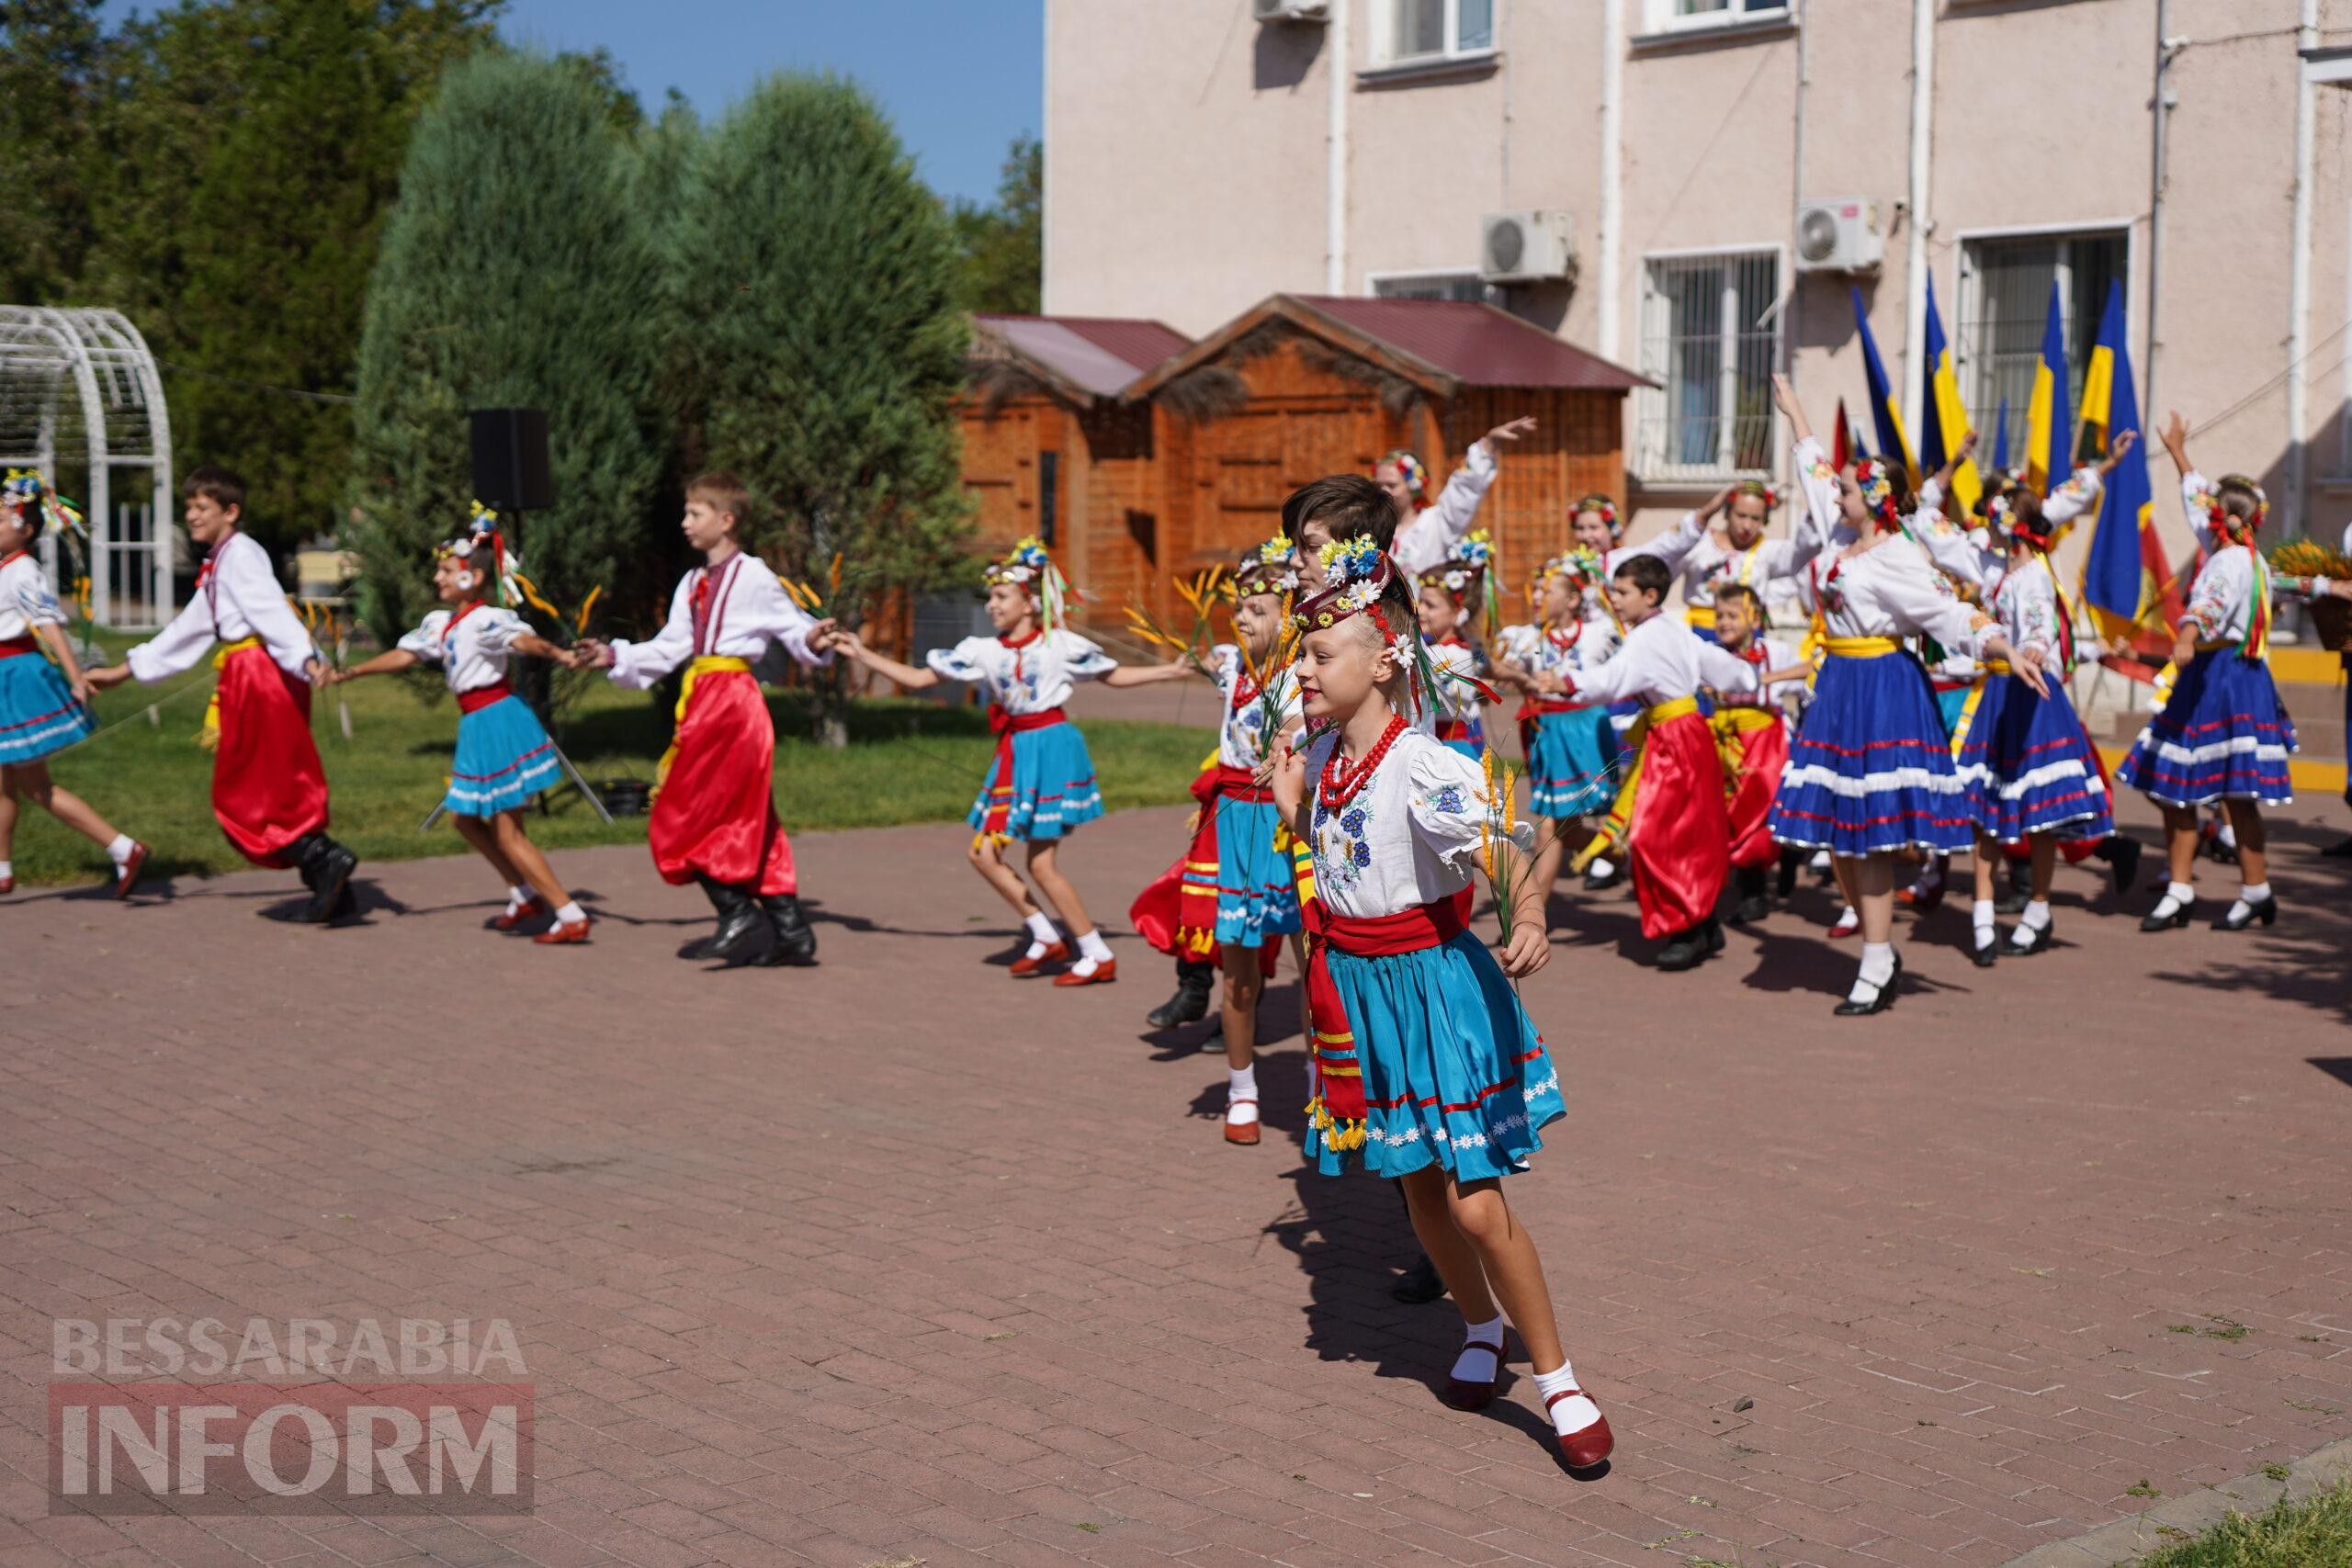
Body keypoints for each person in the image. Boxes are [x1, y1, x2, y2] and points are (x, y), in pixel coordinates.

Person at [1267, 525, 1612, 1471]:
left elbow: (1504, 843)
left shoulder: (1420, 763)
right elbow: (1345, 867)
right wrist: (1295, 806)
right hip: (1367, 996)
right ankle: (1476, 1331)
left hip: (1432, 987)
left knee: (1470, 1205)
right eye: (1300, 653)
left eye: (1321, 653)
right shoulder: (1331, 761)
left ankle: (1559, 1380)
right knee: (1415, 1191)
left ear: (1382, 663)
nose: (1301, 670)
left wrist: (1528, 912)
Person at [1765, 377, 2046, 1014]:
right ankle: (1879, 950)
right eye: (1836, 487)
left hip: (1880, 688)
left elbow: (1951, 613)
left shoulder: (1897, 555)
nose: (1833, 493)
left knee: (1865, 832)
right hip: (1837, 686)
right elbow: (1813, 469)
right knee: (1835, 830)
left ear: (1874, 496)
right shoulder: (1840, 536)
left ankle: (1874, 957)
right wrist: (1795, 408)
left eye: (1846, 488)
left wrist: (2003, 648)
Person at [831, 536, 1188, 986]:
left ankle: (1094, 951)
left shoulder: (1058, 645)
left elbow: (1112, 675)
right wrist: (862, 653)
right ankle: (1045, 933)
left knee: (1040, 862)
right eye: (992, 598)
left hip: (1053, 748)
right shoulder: (984, 651)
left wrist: (1169, 671)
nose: (993, 605)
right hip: (1015, 753)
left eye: (1002, 597)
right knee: (983, 852)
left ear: (1030, 602)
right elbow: (920, 677)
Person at [571, 473, 833, 966]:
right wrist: (610, 655)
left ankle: (735, 909)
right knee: (747, 820)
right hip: (703, 700)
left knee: (684, 811)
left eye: (695, 514)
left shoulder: (754, 576)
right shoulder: (692, 583)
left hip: (733, 703)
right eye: (687, 513)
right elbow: (670, 647)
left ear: (726, 520)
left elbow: (795, 629)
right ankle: (791, 930)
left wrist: (815, 639)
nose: (685, 523)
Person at [87, 466, 356, 923]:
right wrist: (124, 670)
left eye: (202, 507)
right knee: (273, 782)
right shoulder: (222, 559)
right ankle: (331, 888)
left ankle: (323, 858)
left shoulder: (241, 555)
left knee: (246, 793)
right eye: (189, 506)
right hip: (251, 673)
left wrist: (305, 656)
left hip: (261, 675)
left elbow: (271, 609)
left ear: (230, 512)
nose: (192, 515)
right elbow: (189, 628)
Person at [331, 511, 591, 944]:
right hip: (477, 724)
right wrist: (351, 674)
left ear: (471, 577)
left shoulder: (486, 620)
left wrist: (559, 654)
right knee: (464, 818)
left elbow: (521, 641)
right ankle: (525, 893)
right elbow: (405, 655)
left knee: (509, 833)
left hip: (498, 720)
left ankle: (568, 912)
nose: (438, 578)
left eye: (447, 571)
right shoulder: (443, 623)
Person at [2118, 415, 2321, 931]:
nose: (2203, 513)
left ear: (2226, 521)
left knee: (2207, 788)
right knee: (2195, 787)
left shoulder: (2228, 563)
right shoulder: (2242, 555)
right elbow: (2200, 499)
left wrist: (2186, 634)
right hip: (2231, 676)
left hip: (2219, 676)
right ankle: (2213, 889)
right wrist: (2181, 454)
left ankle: (2230, 890)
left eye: (2213, 511)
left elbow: (2208, 605)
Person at [1547, 554, 1775, 970]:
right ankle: (1699, 923)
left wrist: (1566, 683)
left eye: (1622, 592)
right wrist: (1745, 677)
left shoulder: (1647, 637)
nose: (1614, 599)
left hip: (1676, 740)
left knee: (1662, 833)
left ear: (1649, 595)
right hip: (1683, 734)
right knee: (1686, 831)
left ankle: (1689, 925)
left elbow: (1615, 678)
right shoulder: (1668, 626)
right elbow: (1714, 661)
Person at [1948, 489, 2119, 962]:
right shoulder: (1996, 569)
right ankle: (1983, 915)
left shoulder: (2035, 575)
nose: (1988, 522)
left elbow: (2041, 619)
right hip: (1997, 693)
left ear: (2013, 523)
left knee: (2039, 814)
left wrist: (2039, 646)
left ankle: (2038, 909)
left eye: (1995, 515)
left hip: (2032, 694)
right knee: (1986, 812)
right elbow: (1946, 545)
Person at [0, 470, 146, 897]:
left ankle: (123, 847)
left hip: (16, 677)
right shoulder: (7, 568)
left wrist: (75, 676)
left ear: (23, 529)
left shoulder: (23, 570)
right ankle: (2, 868)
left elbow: (48, 623)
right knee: (4, 781)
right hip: (5, 676)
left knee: (36, 787)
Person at [1492, 549, 1621, 921]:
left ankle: (1529, 918)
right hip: (1547, 735)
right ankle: (1619, 854)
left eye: (1545, 592)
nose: (1536, 599)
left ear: (1574, 599)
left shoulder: (1599, 634)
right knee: (1558, 826)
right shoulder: (1528, 637)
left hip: (1586, 732)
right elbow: (1502, 668)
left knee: (1554, 826)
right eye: (1533, 592)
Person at [1705, 582, 1804, 925]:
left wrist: (1770, 678)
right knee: (1731, 813)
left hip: (1766, 742)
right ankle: (1755, 888)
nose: (1724, 622)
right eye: (1719, 615)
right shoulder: (1712, 653)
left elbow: (1812, 671)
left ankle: (1782, 862)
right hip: (1726, 744)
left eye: (1733, 615)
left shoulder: (1775, 651)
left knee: (1759, 811)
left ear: (1754, 617)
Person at [1374, 417, 1536, 577]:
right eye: (1378, 485)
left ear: (1414, 486)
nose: (1384, 491)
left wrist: (1488, 444)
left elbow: (1464, 488)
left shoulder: (1436, 523)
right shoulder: (1370, 527)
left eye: (1392, 485)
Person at [1416, 530, 1498, 761]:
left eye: (1430, 605)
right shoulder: (1458, 646)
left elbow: (1437, 700)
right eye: (1420, 601)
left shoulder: (1456, 654)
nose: (1420, 610)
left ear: (1457, 613)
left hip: (1449, 747)